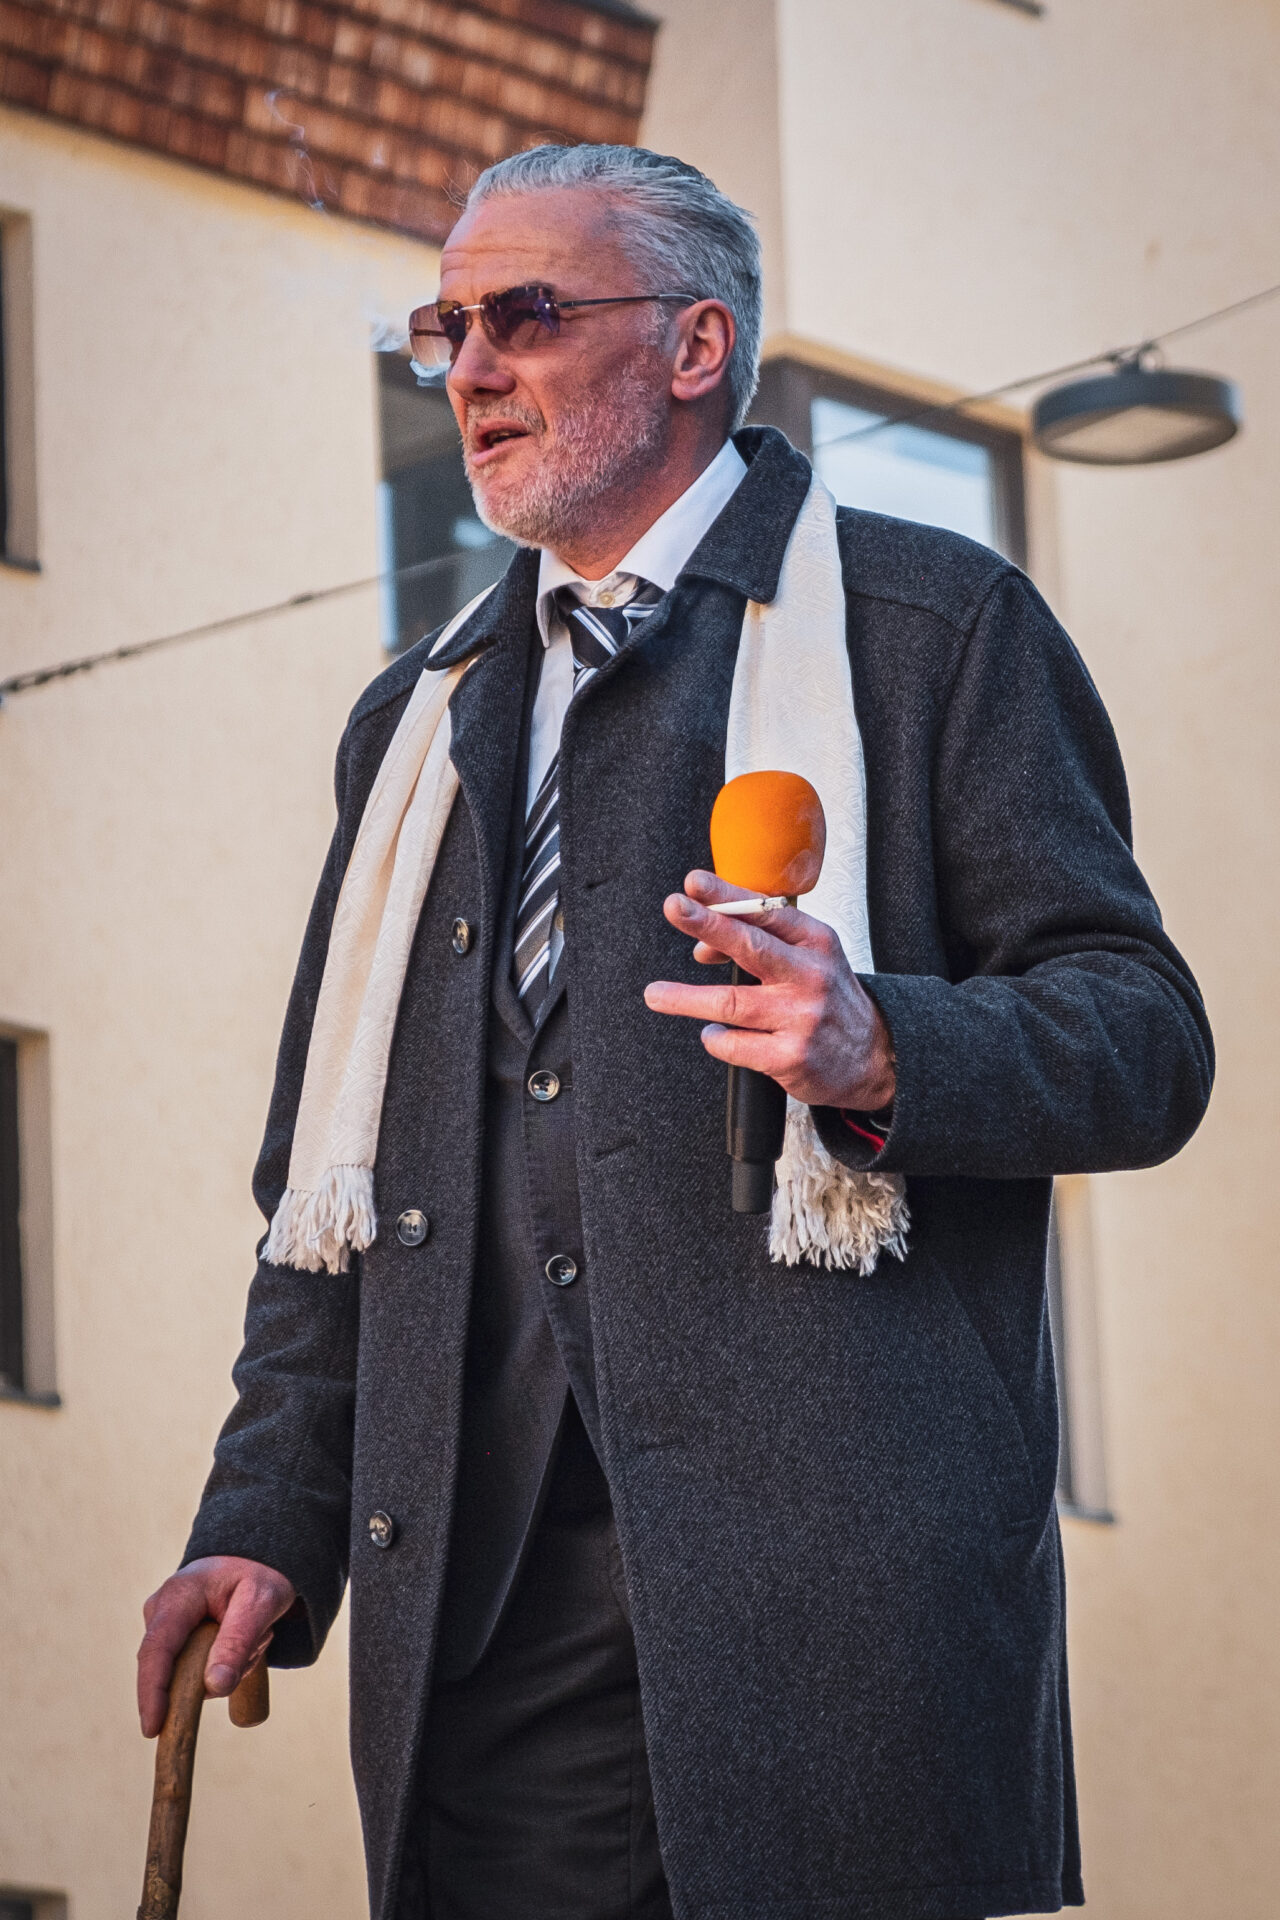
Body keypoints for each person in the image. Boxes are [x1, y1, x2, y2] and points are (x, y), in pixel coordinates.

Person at [136, 145, 1212, 1920]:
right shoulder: (415, 725)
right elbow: (327, 1208)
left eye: (525, 316)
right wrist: (264, 1514)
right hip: (485, 1628)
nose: (472, 369)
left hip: (830, 1631)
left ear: (696, 345)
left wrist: (880, 1048)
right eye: (447, 330)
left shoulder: (934, 632)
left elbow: (1144, 1038)